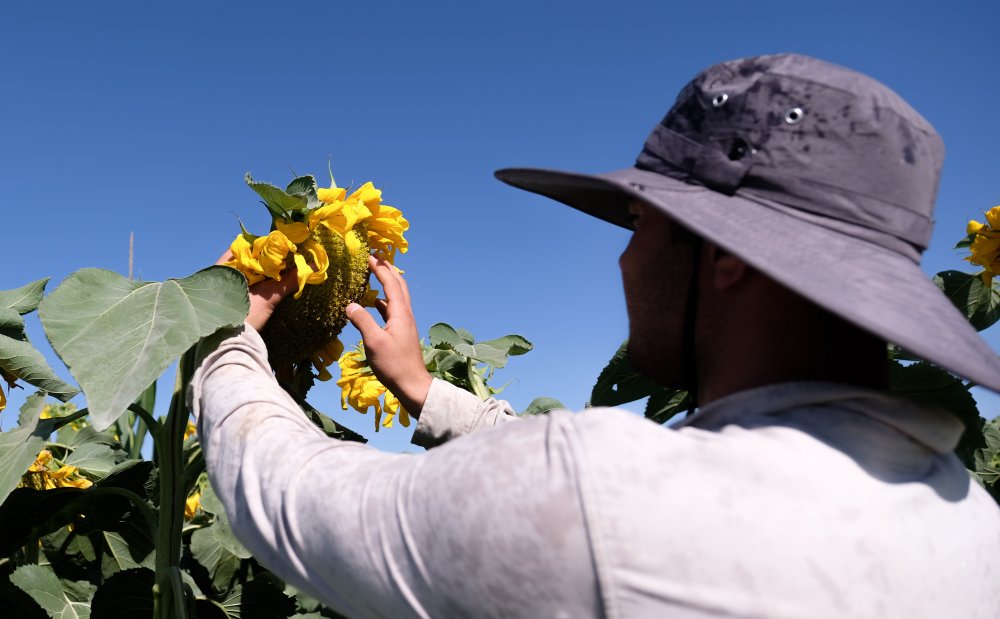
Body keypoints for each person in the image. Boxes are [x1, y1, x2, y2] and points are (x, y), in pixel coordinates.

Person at [190, 54, 1000, 618]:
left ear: (724, 258)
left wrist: (224, 331)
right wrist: (426, 391)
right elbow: (575, 487)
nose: (623, 257)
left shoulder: (602, 500)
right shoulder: (969, 519)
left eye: (641, 223)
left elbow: (291, 497)